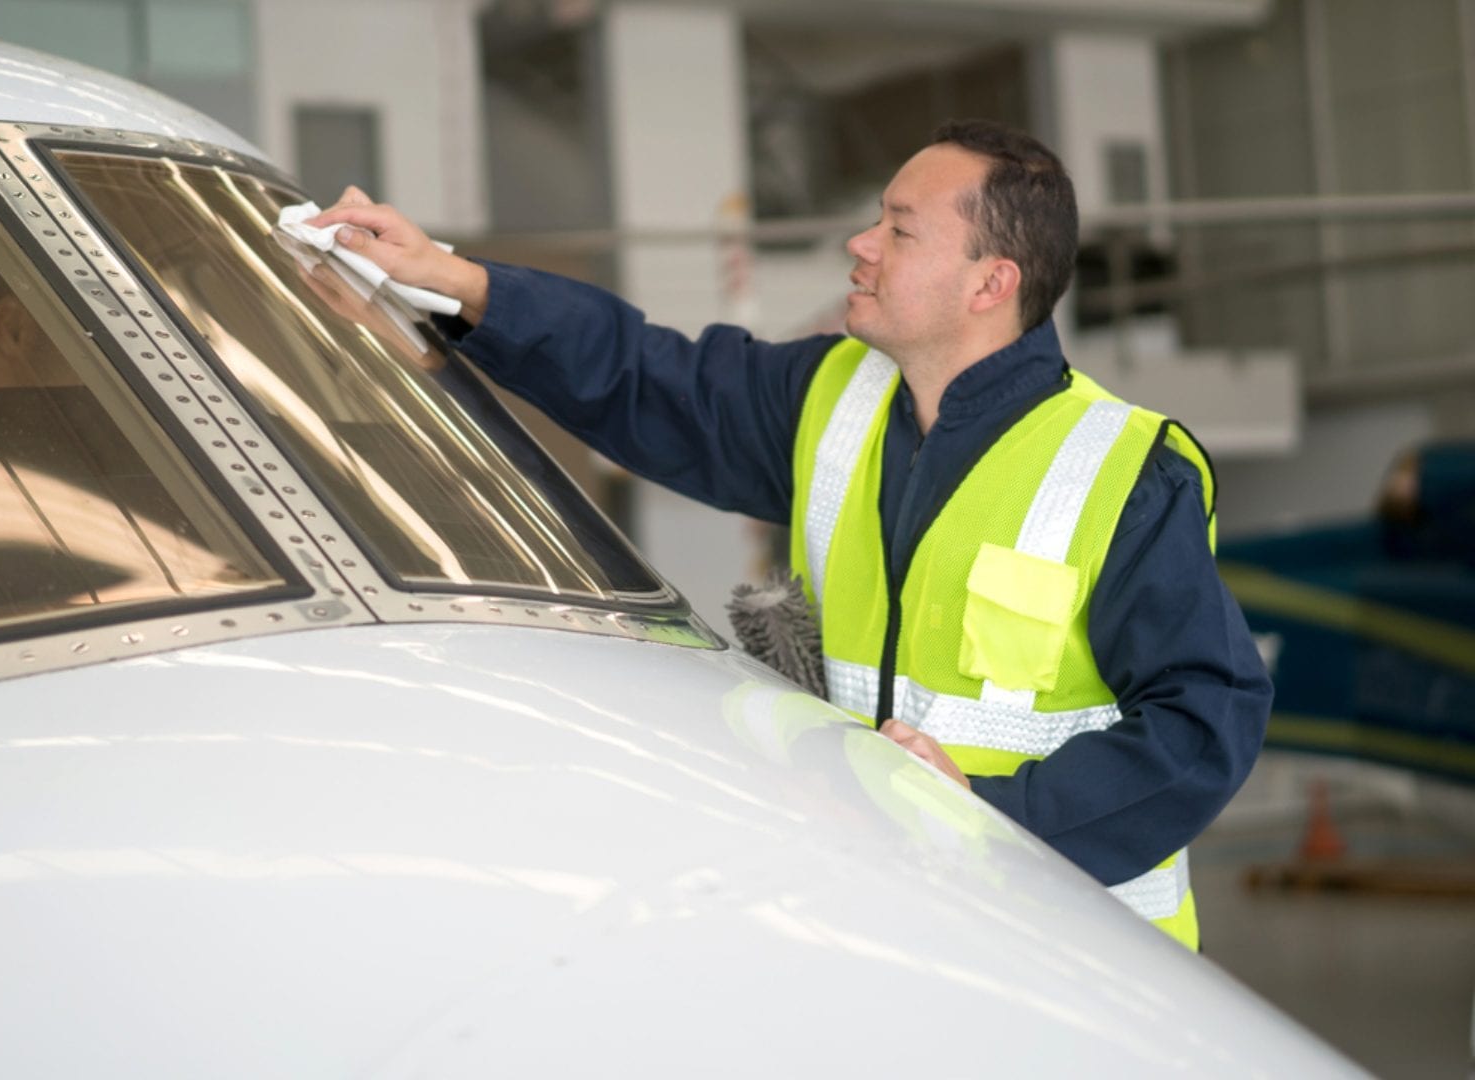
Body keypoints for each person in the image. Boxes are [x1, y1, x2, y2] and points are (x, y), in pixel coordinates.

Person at [309, 118, 1269, 950]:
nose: (860, 244)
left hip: (1069, 952)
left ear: (991, 283)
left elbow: (1205, 720)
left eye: (898, 228)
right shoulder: (831, 396)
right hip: (884, 912)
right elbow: (648, 378)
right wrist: (451, 279)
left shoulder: (1124, 470)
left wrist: (994, 816)